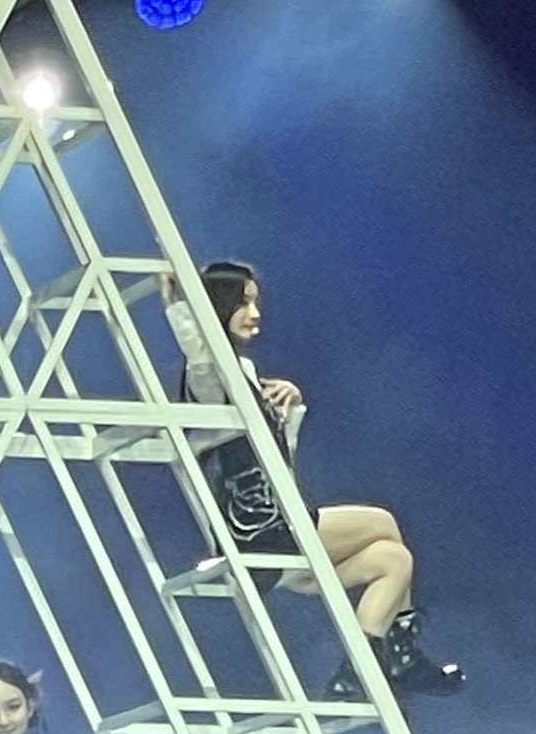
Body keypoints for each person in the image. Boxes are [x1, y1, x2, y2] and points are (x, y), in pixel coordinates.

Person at [161, 261, 462, 701]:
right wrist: (179, 306)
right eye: (243, 303)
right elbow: (200, 353)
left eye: (256, 302)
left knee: (395, 560)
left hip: (281, 533)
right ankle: (395, 659)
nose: (255, 313)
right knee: (383, 522)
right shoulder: (208, 377)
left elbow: (275, 462)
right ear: (217, 307)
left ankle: (358, 672)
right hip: (260, 536)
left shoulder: (243, 374)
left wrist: (290, 407)